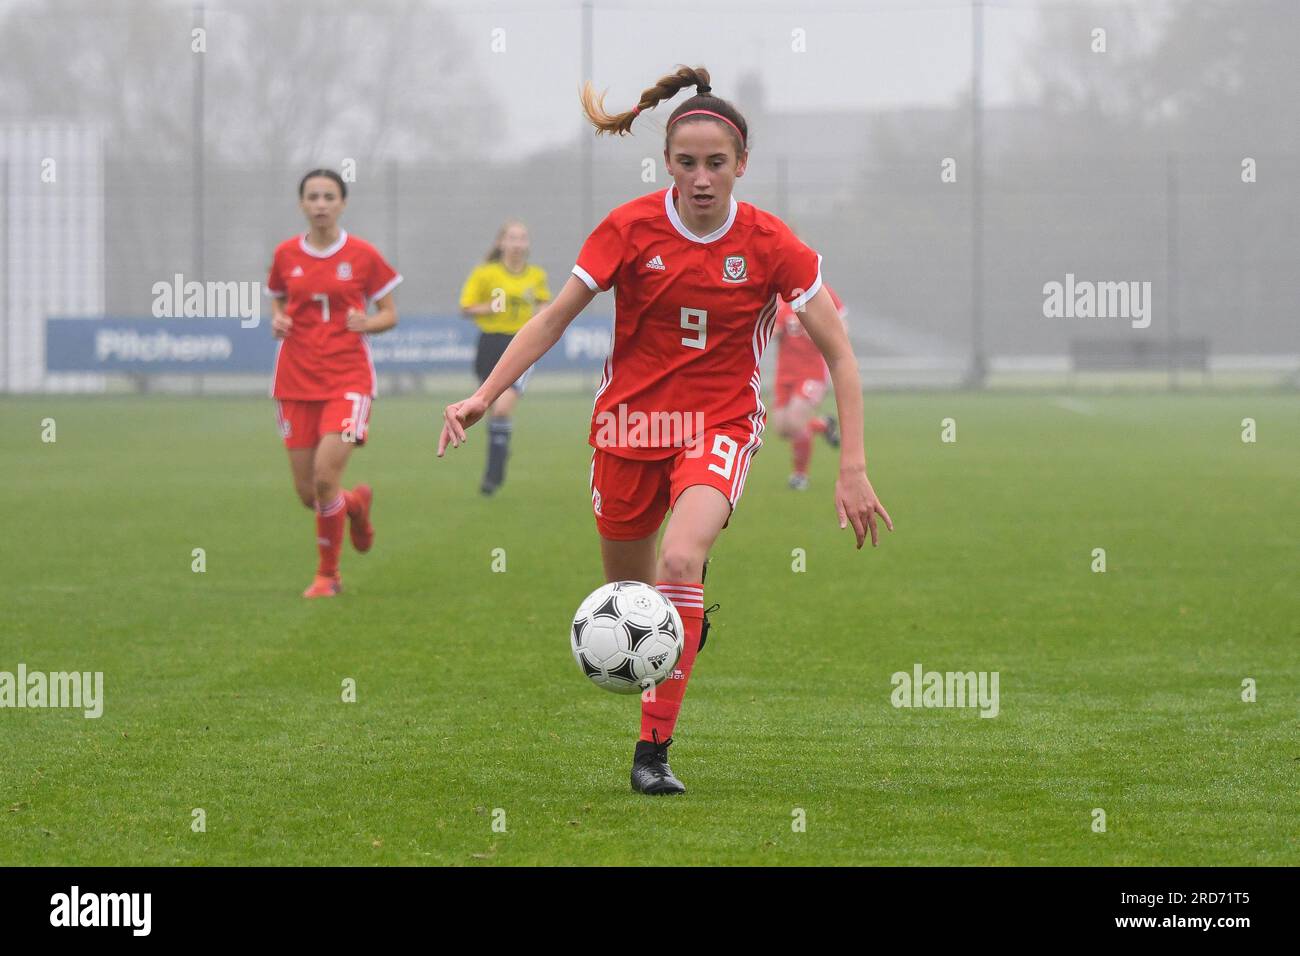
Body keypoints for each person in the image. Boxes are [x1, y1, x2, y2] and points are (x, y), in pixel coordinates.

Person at [437, 66, 891, 794]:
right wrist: (485, 394)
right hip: (626, 431)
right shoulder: (629, 228)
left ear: (741, 164)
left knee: (679, 564)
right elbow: (554, 316)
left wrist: (853, 465)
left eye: (717, 163)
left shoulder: (773, 244)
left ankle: (653, 754)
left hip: (718, 424)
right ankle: (680, 620)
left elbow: (839, 352)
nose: (702, 178)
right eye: (688, 163)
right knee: (632, 599)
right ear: (667, 164)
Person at [266, 169, 402, 597]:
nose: (321, 204)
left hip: (348, 378)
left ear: (342, 203)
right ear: (302, 205)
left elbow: (389, 313)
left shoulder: (362, 255)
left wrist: (369, 322)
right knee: (310, 494)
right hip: (294, 380)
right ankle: (356, 505)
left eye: (329, 196)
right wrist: (278, 318)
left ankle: (329, 576)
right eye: (313, 197)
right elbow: (278, 298)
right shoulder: (286, 254)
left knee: (326, 478)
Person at [458, 221, 551, 495]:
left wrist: (541, 317)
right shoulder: (486, 274)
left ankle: (493, 475)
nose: (518, 243)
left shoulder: (535, 275)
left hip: (520, 344)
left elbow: (545, 304)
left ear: (527, 244)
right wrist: (489, 307)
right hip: (490, 344)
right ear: (501, 243)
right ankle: (499, 453)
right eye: (512, 238)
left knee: (501, 409)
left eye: (523, 238)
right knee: (487, 409)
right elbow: (465, 307)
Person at [771, 276, 848, 490]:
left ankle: (800, 476)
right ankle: (824, 425)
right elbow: (774, 329)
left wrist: (819, 334)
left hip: (811, 371)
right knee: (782, 428)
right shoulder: (779, 297)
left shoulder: (820, 292)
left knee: (796, 422)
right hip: (785, 373)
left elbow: (843, 328)